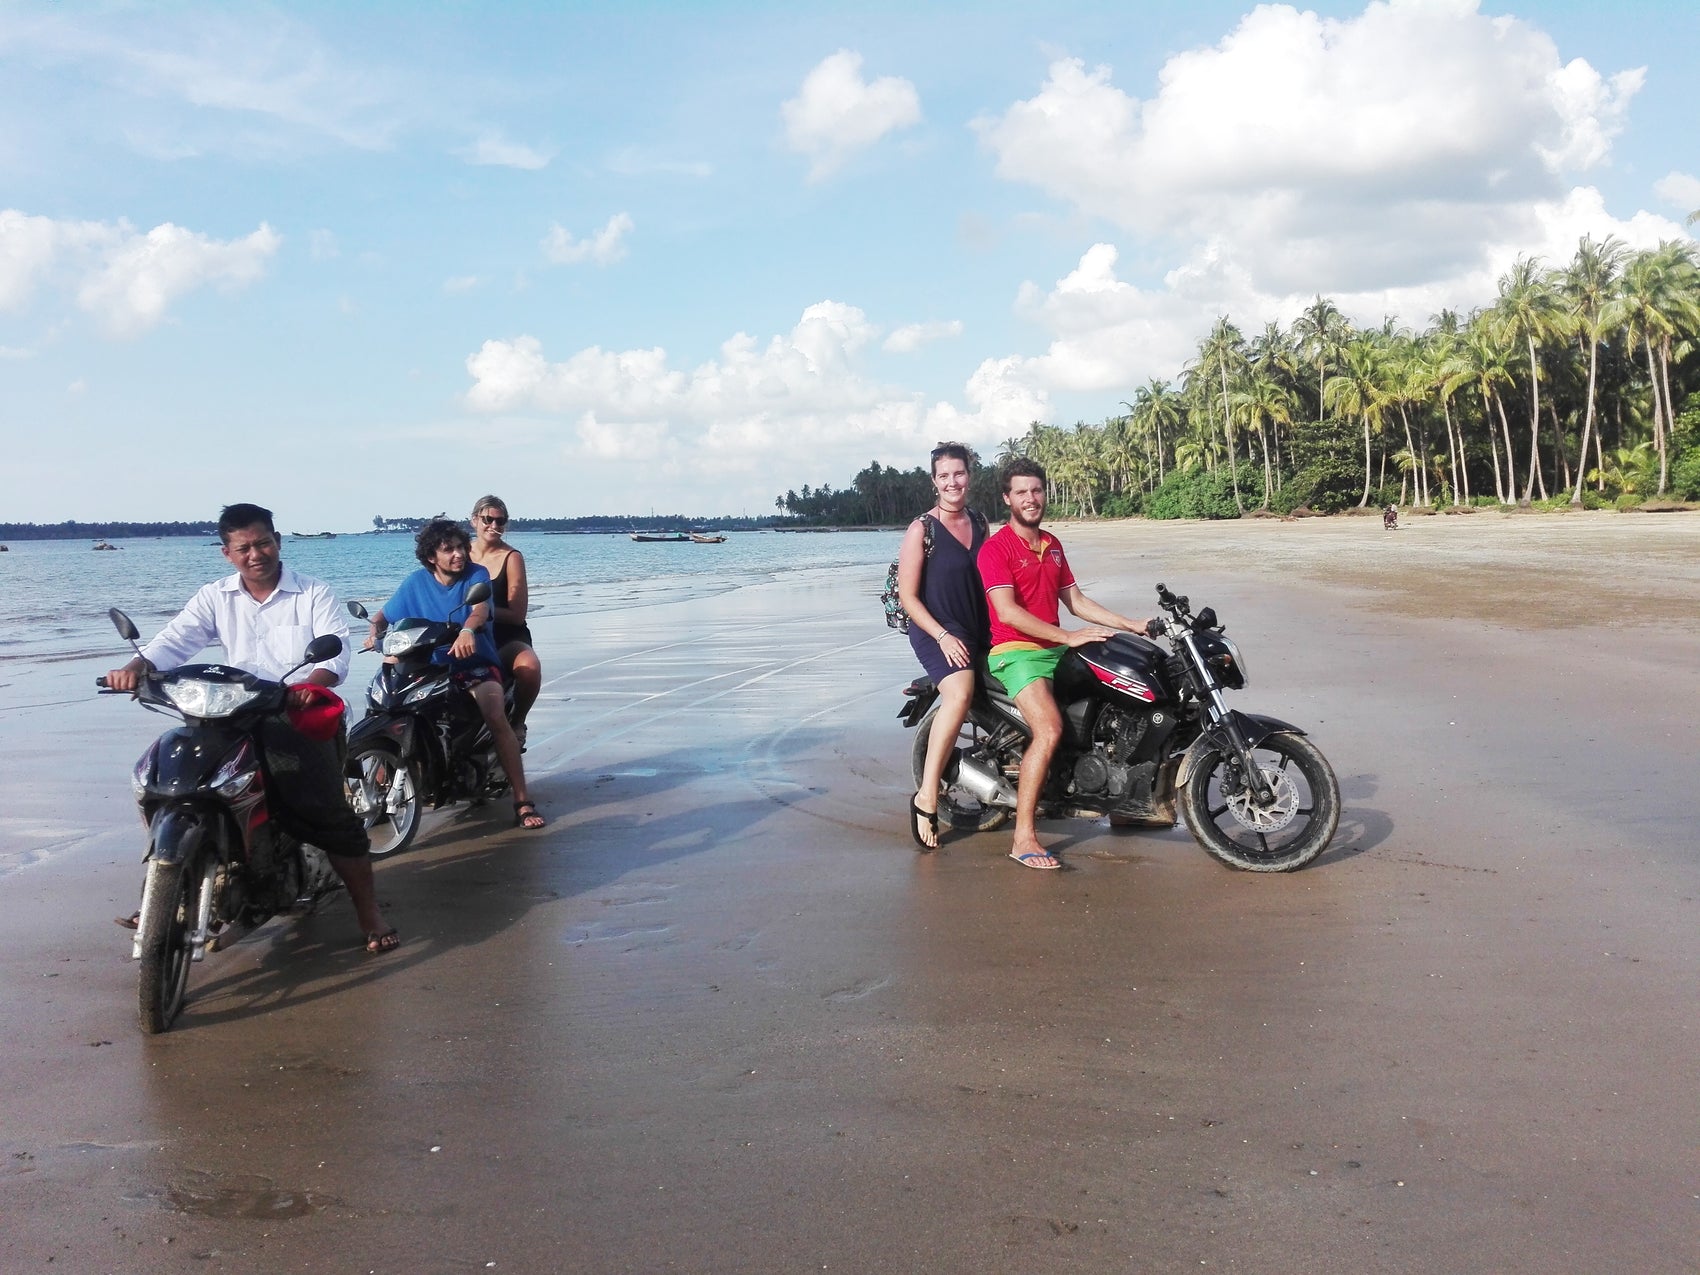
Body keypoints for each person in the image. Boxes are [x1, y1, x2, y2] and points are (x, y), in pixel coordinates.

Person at [104, 503, 399, 953]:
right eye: (243, 547)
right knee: (177, 780)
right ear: (227, 552)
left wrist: (308, 685)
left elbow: (335, 652)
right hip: (229, 711)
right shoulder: (215, 597)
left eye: (262, 542)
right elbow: (175, 640)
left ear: (277, 542)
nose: (255, 553)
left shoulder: (312, 593)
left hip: (297, 713)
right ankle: (163, 889)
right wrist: (135, 666)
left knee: (326, 815)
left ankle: (369, 913)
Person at [977, 459, 1153, 870]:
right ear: (1007, 499)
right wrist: (1068, 636)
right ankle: (1023, 837)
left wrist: (1131, 624)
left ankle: (1122, 804)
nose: (1030, 498)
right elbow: (1007, 613)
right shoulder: (995, 549)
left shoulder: (1052, 544)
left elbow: (1075, 601)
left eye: (1036, 490)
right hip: (1016, 653)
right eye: (1021, 492)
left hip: (1054, 648)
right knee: (1050, 728)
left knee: (1116, 704)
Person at [364, 519, 546, 830]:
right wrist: (374, 634)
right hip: (427, 665)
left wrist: (467, 631)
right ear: (431, 556)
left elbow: (480, 610)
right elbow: (383, 616)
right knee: (387, 705)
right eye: (448, 550)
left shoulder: (477, 575)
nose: (458, 554)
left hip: (473, 664)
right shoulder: (414, 583)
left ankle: (522, 800)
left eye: (461, 547)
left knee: (493, 711)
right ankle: (379, 784)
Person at [896, 442, 990, 849]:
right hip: (937, 627)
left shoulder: (981, 522)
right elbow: (907, 596)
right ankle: (927, 795)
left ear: (969, 475)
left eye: (959, 473)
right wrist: (942, 635)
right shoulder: (923, 529)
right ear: (934, 482)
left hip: (976, 622)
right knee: (960, 695)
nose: (953, 482)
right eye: (944, 475)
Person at [466, 495, 542, 746]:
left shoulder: (512, 557)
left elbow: (517, 614)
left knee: (529, 667)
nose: (494, 526)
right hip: (463, 633)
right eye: (488, 519)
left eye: (501, 521)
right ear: (474, 520)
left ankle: (518, 721)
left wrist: (482, 611)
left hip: (505, 635)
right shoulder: (459, 553)